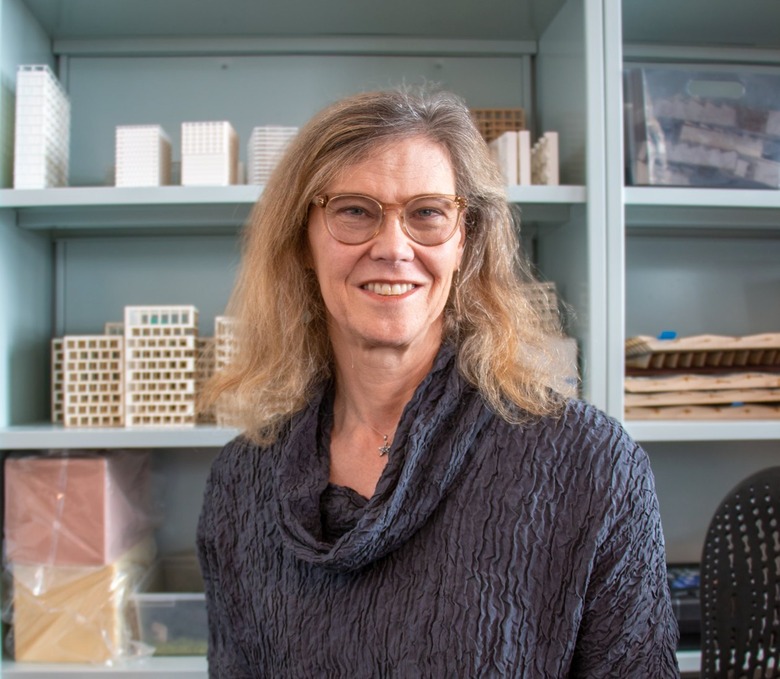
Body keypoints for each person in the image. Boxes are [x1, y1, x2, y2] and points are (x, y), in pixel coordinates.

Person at [196, 87, 680, 678]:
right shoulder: (241, 482)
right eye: (354, 210)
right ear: (302, 240)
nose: (394, 247)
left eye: (427, 213)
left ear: (465, 242)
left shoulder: (591, 465)